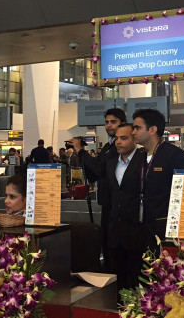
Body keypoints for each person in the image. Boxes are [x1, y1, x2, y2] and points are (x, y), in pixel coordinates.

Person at [71, 107, 126, 272]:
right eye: (107, 122)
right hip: (106, 203)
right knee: (106, 244)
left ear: (122, 124)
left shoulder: (118, 149)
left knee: (114, 248)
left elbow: (100, 169)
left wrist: (81, 152)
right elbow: (95, 174)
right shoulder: (109, 147)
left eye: (113, 122)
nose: (109, 126)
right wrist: (84, 158)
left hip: (117, 205)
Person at [132, 108, 184, 250]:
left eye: (137, 128)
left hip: (167, 232)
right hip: (143, 228)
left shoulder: (174, 155)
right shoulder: (140, 156)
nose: (133, 132)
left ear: (152, 130)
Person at [106, 123, 146, 291]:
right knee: (120, 283)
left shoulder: (144, 160)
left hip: (138, 232)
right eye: (116, 138)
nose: (118, 142)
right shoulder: (111, 162)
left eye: (124, 138)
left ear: (134, 139)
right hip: (116, 233)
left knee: (139, 282)